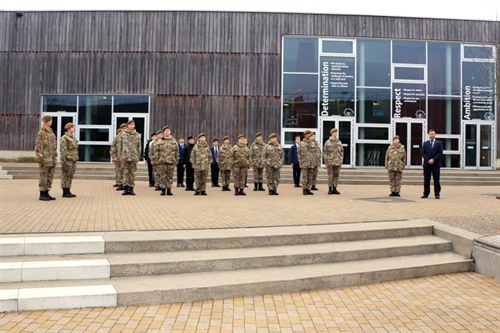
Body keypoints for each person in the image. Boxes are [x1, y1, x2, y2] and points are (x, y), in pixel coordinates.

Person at [35, 114, 57, 201]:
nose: (51, 121)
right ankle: (42, 193)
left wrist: (55, 157)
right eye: (50, 120)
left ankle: (47, 192)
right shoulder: (41, 133)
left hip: (52, 159)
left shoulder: (51, 132)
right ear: (46, 121)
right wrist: (40, 159)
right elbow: (38, 147)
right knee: (43, 176)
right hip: (45, 159)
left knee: (50, 177)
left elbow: (53, 146)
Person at [151, 126, 179, 196]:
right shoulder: (160, 141)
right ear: (163, 132)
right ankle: (163, 189)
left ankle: (169, 189)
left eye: (168, 130)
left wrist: (176, 160)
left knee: (170, 176)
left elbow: (176, 151)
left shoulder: (173, 141)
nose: (167, 132)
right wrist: (156, 159)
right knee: (163, 176)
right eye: (166, 130)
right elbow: (156, 151)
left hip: (171, 161)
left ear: (170, 132)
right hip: (162, 161)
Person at [117, 120, 141, 195]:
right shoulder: (123, 134)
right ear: (127, 126)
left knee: (132, 173)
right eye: (130, 124)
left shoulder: (137, 135)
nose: (131, 126)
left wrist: (138, 156)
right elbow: (119, 146)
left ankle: (131, 188)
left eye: (133, 124)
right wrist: (119, 156)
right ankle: (125, 188)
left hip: (133, 157)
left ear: (134, 126)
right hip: (125, 157)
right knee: (125, 173)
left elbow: (139, 146)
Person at [421, 129, 443, 199]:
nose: (431, 135)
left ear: (435, 134)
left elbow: (440, 153)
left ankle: (437, 193)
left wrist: (433, 159)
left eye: (433, 134)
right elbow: (423, 153)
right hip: (427, 164)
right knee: (426, 179)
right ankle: (426, 193)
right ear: (428, 135)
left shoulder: (439, 143)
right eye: (430, 134)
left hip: (436, 164)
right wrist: (428, 160)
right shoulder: (425, 143)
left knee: (436, 179)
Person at [60, 122, 79, 198]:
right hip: (67, 159)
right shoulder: (64, 138)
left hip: (73, 159)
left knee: (70, 175)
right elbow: (63, 149)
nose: (73, 129)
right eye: (72, 127)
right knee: (66, 175)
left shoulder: (73, 138)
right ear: (68, 129)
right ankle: (65, 191)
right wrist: (63, 159)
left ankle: (68, 189)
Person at [323, 128, 344, 195]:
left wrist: (341, 161)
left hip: (337, 161)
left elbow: (341, 152)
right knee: (330, 176)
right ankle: (330, 188)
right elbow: (325, 153)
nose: (335, 134)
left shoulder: (339, 142)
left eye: (336, 132)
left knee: (336, 175)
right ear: (331, 133)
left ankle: (335, 188)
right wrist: (326, 162)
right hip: (330, 162)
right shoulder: (327, 142)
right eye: (334, 132)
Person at [298, 130, 316, 195]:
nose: (309, 135)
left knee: (310, 177)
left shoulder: (313, 143)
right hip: (304, 162)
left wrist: (315, 162)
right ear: (305, 135)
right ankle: (304, 189)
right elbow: (299, 154)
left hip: (311, 163)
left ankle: (308, 189)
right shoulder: (301, 143)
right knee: (305, 177)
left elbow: (315, 153)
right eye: (307, 134)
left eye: (309, 134)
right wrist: (300, 162)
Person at [110, 123, 127, 190]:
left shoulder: (128, 136)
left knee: (125, 171)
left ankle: (124, 183)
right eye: (123, 128)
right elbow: (113, 146)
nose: (124, 130)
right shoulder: (117, 137)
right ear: (120, 129)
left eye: (125, 128)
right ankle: (120, 183)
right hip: (118, 157)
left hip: (125, 157)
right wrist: (114, 156)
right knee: (119, 170)